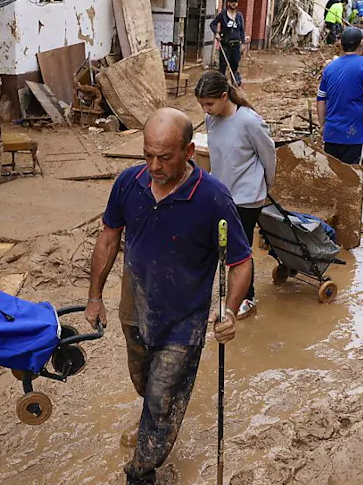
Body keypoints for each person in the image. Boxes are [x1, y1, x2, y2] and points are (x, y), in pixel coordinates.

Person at [85, 108, 252, 485]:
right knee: (146, 385)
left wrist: (229, 311)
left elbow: (241, 262)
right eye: (148, 155)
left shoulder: (213, 198)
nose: (154, 165)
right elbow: (109, 238)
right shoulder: (129, 183)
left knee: (162, 400)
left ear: (189, 151)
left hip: (184, 322)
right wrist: (94, 296)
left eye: (165, 156)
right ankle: (154, 427)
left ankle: (142, 471)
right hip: (135, 310)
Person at [195, 71, 277, 320]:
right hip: (221, 194)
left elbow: (268, 155)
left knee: (239, 251)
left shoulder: (250, 122)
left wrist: (266, 184)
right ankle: (228, 294)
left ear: (223, 96)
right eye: (202, 105)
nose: (206, 110)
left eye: (209, 104)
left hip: (246, 197)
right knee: (219, 246)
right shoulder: (212, 120)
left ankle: (246, 298)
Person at [316, 27, 363, 166]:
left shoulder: (330, 67)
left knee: (332, 174)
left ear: (341, 45)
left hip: (332, 133)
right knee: (352, 176)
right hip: (355, 134)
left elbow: (321, 98)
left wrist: (323, 125)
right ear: (361, 44)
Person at [211, 0, 250, 85]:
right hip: (225, 45)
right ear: (228, 3)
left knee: (234, 65)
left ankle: (234, 83)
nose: (233, 3)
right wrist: (216, 33)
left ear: (237, 4)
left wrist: (243, 43)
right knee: (223, 66)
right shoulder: (223, 15)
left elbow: (242, 30)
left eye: (235, 2)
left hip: (236, 45)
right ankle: (221, 84)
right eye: (232, 2)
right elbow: (213, 24)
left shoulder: (239, 16)